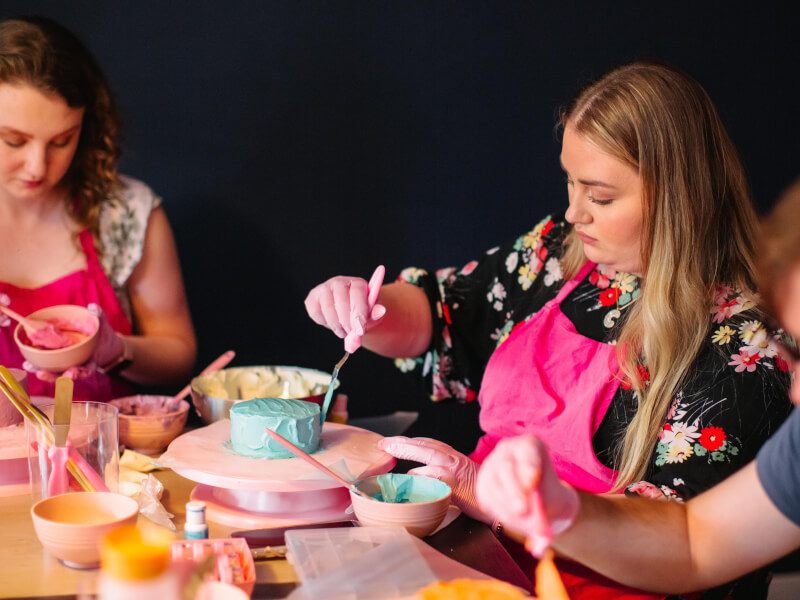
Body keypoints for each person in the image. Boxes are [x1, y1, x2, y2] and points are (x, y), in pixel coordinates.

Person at [305, 60, 792, 599]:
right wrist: (372, 312)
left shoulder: (745, 346)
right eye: (570, 182)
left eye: (600, 196)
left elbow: (687, 544)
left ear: (680, 198)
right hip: (488, 548)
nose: (573, 211)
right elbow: (446, 318)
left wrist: (494, 493)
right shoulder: (560, 252)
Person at [475, 177, 800, 596]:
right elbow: (695, 542)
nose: (795, 393)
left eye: (602, 196)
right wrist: (562, 507)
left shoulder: (740, 341)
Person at [0, 16, 196, 402]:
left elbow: (178, 354)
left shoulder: (126, 213)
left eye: (61, 140)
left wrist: (116, 350)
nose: (38, 166)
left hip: (108, 454)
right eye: (13, 140)